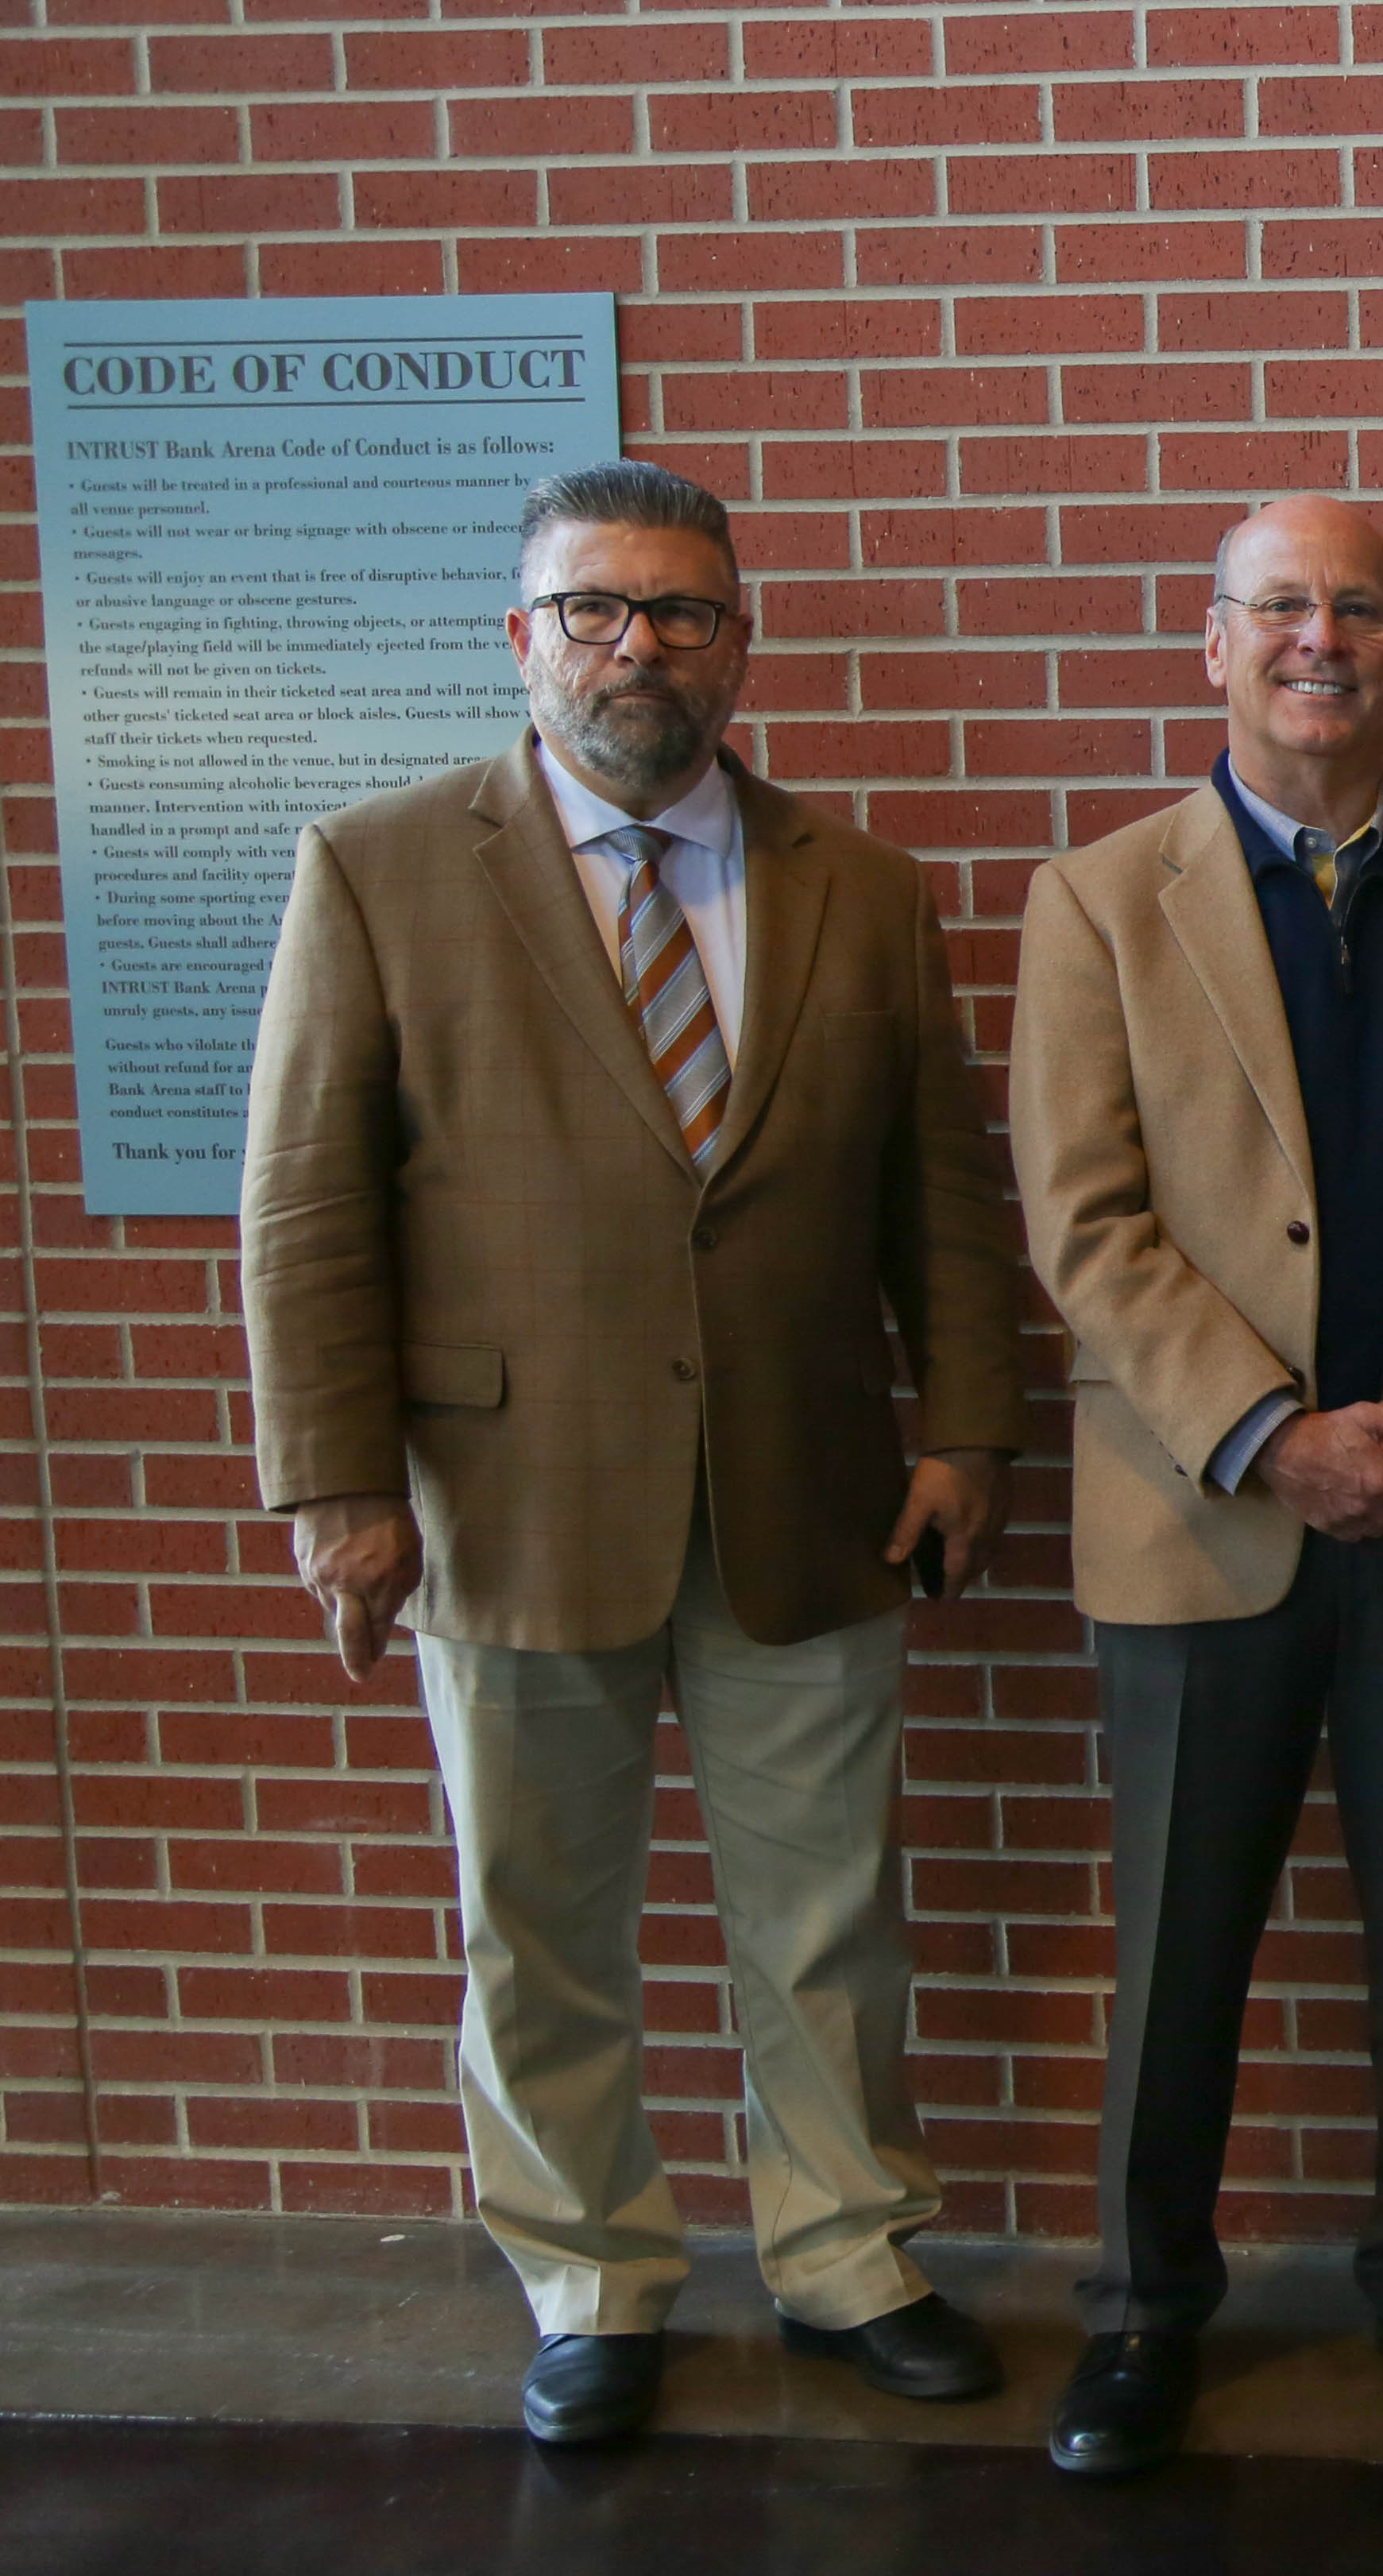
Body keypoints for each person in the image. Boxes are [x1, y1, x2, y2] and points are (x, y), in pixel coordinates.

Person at [239, 458, 1024, 2447]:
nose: (638, 647)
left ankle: (851, 2250)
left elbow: (940, 1190)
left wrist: (968, 1429)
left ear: (740, 647)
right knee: (539, 1914)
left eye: (681, 612)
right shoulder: (383, 867)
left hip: (807, 1491)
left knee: (829, 1913)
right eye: (595, 609)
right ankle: (590, 2275)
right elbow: (308, 1208)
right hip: (507, 1501)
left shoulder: (856, 882)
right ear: (524, 638)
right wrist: (335, 1491)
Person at [1010, 494, 1383, 2477]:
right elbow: (1084, 1226)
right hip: (1207, 1510)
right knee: (1178, 1941)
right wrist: (1278, 1433)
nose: (1318, 638)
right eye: (1281, 606)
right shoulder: (1097, 899)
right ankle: (1145, 2309)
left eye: (1358, 607)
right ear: (1212, 642)